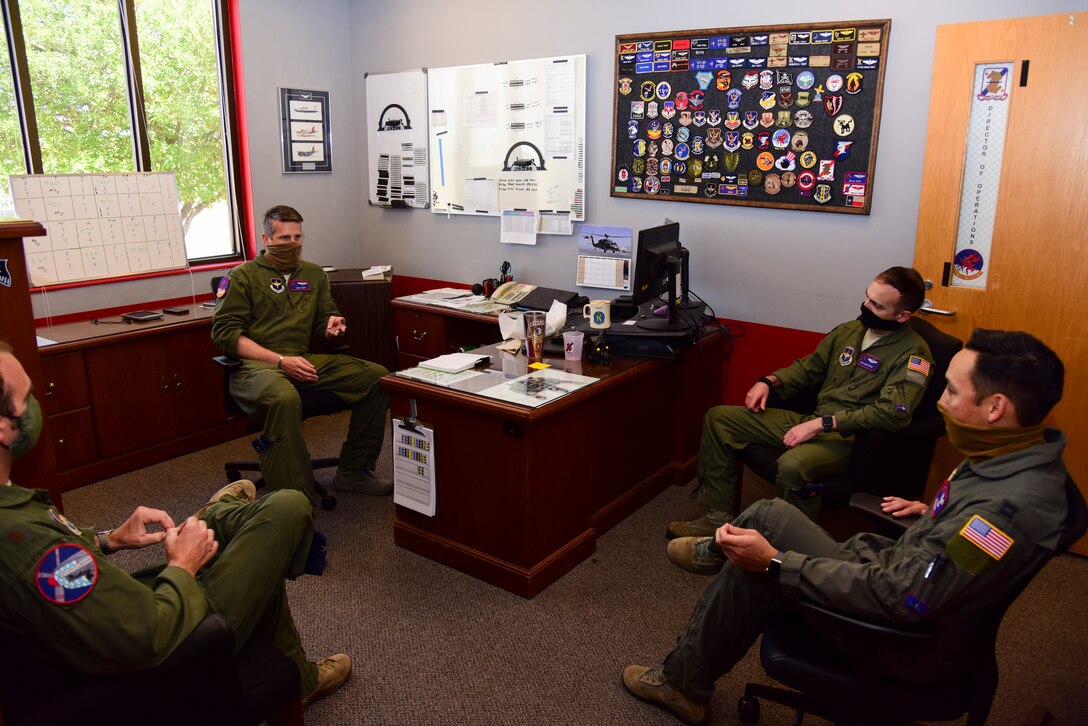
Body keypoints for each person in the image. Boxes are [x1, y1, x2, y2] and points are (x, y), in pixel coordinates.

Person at [624, 329, 1070, 724]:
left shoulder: (1001, 513)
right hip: (892, 574)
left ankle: (683, 681)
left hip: (906, 639)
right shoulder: (1012, 454)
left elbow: (904, 599)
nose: (940, 401)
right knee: (766, 519)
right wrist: (932, 514)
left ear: (996, 407)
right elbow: (958, 552)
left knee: (757, 563)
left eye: (952, 391)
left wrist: (776, 563)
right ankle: (717, 560)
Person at [0, 342, 351, 707]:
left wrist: (108, 540)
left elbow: (62, 575)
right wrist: (182, 566)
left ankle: (221, 517)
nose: (37, 406)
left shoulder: (14, 512)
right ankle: (227, 519)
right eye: (27, 398)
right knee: (287, 508)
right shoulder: (25, 542)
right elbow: (148, 638)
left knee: (241, 536)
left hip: (133, 610)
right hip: (169, 646)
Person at [667, 266, 932, 549]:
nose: (865, 306)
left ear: (903, 316)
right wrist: (769, 381)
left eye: (877, 305)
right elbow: (809, 368)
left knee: (792, 466)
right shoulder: (851, 331)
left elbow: (892, 414)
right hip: (813, 419)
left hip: (849, 439)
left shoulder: (914, 354)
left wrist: (824, 424)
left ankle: (782, 549)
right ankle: (717, 517)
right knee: (719, 419)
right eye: (867, 297)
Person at [212, 204, 391, 501]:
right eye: (284, 238)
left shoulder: (313, 274)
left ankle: (354, 472)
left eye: (297, 238)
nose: (292, 244)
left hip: (301, 359)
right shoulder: (241, 277)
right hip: (255, 366)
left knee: (377, 378)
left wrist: (331, 327)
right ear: (266, 239)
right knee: (284, 398)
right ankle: (295, 496)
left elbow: (324, 320)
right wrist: (279, 361)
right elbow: (225, 335)